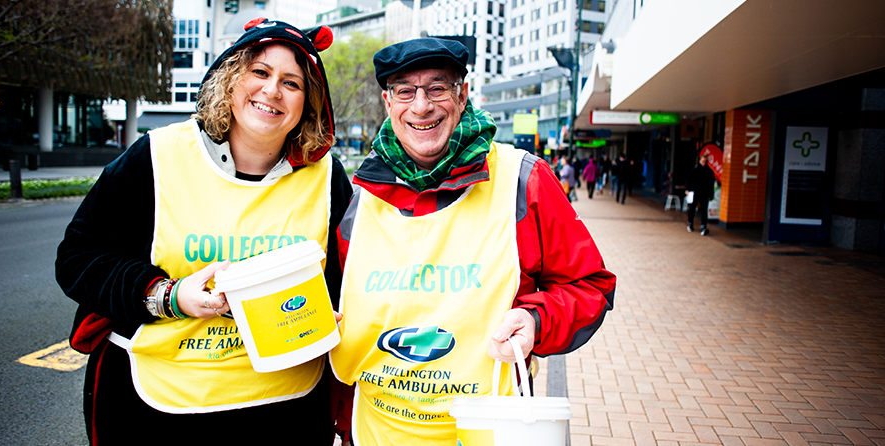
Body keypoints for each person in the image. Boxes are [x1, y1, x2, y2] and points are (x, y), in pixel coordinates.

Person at [55, 19, 352, 445]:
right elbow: (78, 258)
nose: (272, 91)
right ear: (230, 80)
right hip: (159, 401)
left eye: (292, 83)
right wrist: (168, 296)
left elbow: (348, 280)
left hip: (286, 406)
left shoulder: (326, 177)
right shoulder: (158, 155)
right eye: (260, 72)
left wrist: (335, 314)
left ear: (309, 102)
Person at [328, 38, 616, 445]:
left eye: (437, 88)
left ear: (462, 95)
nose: (421, 106)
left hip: (490, 431)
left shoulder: (523, 180)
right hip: (376, 431)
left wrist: (536, 321)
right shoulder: (359, 196)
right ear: (387, 102)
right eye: (405, 91)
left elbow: (590, 286)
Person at [686, 154, 715, 235]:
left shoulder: (709, 171)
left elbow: (711, 184)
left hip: (704, 193)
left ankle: (703, 226)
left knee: (703, 210)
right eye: (703, 161)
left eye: (705, 162)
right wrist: (687, 189)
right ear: (700, 161)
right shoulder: (694, 169)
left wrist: (711, 194)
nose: (704, 163)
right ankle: (690, 223)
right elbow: (688, 179)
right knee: (692, 208)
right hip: (694, 192)